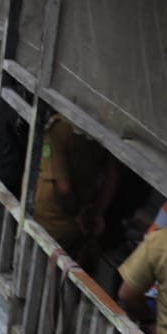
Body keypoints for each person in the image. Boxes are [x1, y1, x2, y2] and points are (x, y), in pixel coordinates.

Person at [32, 113, 117, 268]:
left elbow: (64, 189)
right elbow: (112, 178)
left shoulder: (60, 129)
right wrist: (95, 214)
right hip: (79, 227)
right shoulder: (102, 130)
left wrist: (77, 213)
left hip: (51, 224)